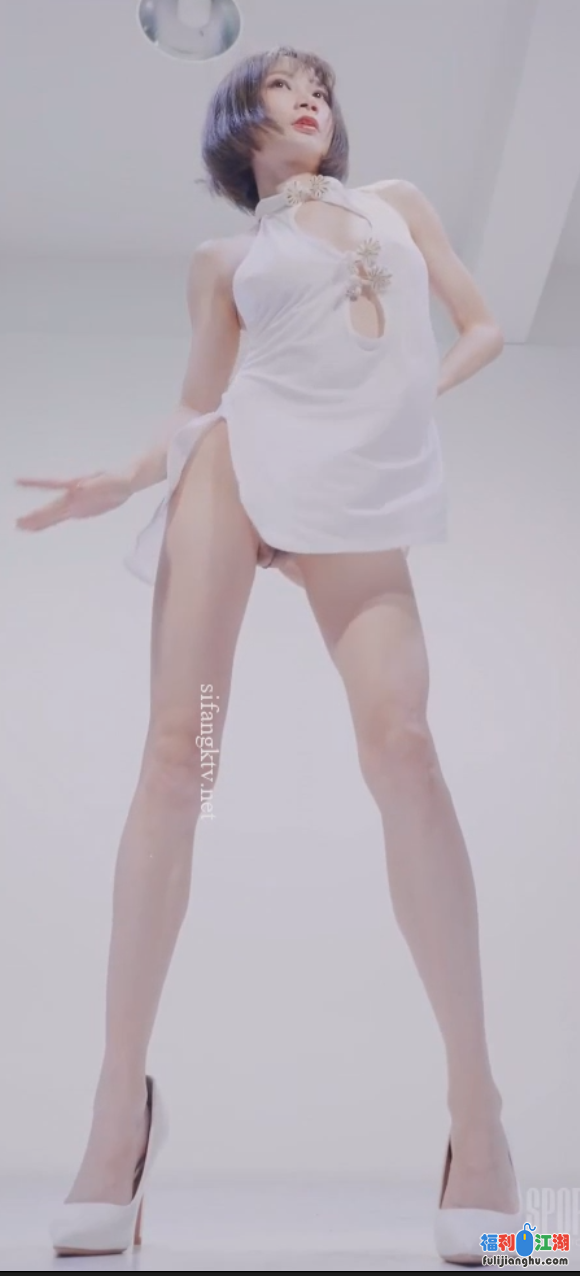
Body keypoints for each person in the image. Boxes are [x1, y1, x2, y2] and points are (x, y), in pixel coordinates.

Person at [15, 45, 523, 1265]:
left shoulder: (395, 206)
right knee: (183, 760)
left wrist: (403, 410)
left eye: (322, 87)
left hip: (356, 484)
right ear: (239, 119)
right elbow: (199, 409)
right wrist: (120, 477)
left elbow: (482, 327)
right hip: (236, 469)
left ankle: (477, 1114)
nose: (311, 99)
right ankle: (118, 1112)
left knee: (403, 749)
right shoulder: (224, 261)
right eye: (284, 85)